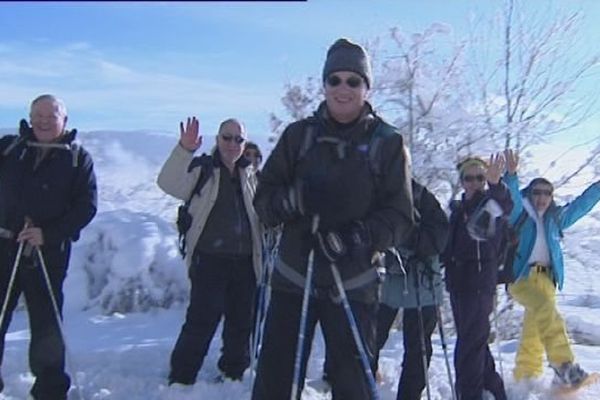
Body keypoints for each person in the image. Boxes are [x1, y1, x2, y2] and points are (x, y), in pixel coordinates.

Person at [251, 38, 414, 400]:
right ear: (324, 85)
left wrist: (356, 238)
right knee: (275, 384)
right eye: (334, 80)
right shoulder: (298, 137)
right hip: (295, 276)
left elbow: (401, 216)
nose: (343, 88)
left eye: (353, 81)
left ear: (366, 87)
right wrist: (292, 201)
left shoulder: (387, 142)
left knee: (353, 387)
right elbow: (263, 201)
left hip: (354, 282)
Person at [0, 94, 98, 400]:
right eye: (37, 115)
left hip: (48, 252)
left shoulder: (77, 158)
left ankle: (50, 391)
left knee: (47, 325)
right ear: (29, 117)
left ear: (64, 120)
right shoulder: (8, 148)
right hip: (3, 246)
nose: (43, 121)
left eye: (50, 116)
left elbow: (87, 206)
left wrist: (50, 233)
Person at [157, 117, 263, 386]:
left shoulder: (251, 176)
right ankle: (181, 377)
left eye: (238, 139)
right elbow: (168, 183)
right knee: (201, 321)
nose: (232, 144)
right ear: (217, 140)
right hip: (209, 260)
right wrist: (184, 149)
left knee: (241, 323)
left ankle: (234, 373)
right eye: (227, 137)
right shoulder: (202, 169)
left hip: (245, 262)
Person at [503, 149, 600, 386]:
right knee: (546, 311)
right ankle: (564, 365)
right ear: (530, 193)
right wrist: (511, 175)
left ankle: (525, 378)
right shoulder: (520, 213)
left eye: (547, 193)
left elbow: (581, 205)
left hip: (547, 280)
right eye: (537, 192)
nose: (542, 197)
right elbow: (511, 197)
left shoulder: (556, 218)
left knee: (534, 330)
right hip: (521, 278)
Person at [441, 155, 511, 400]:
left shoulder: (489, 205)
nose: (474, 183)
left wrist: (496, 185)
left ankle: (470, 394)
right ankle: (495, 389)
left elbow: (504, 205)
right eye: (469, 178)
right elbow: (448, 248)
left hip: (480, 283)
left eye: (479, 178)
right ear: (461, 181)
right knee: (473, 339)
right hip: (458, 284)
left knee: (468, 347)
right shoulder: (457, 211)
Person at [375, 179, 449, 400]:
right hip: (391, 280)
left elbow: (439, 235)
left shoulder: (420, 196)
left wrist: (409, 240)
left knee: (418, 348)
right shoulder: (375, 192)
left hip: (422, 280)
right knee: (372, 338)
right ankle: (362, 387)